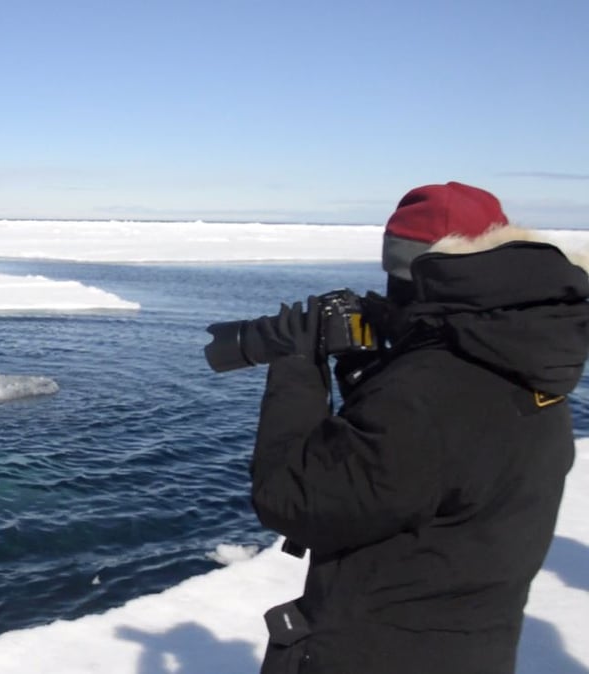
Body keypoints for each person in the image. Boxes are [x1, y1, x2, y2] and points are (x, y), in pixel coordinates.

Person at [247, 182, 589, 673]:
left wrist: (295, 367)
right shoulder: (528, 359)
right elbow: (423, 470)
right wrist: (373, 375)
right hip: (472, 648)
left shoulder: (429, 392)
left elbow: (293, 498)